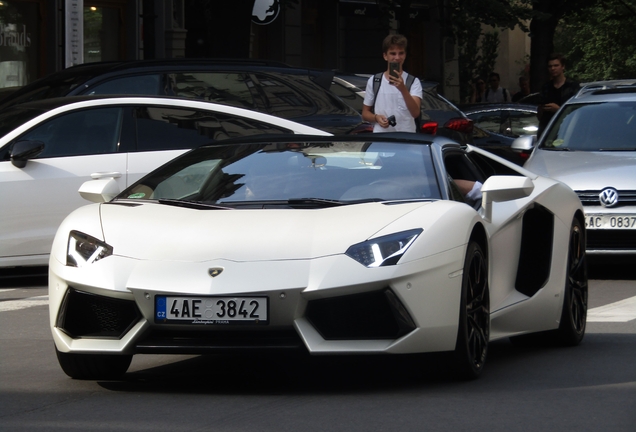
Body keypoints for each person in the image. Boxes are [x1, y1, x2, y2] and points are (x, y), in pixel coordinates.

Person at [362, 34, 422, 133]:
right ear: (385, 56)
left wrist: (403, 89)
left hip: (406, 138)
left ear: (405, 55)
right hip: (381, 138)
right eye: (393, 53)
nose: (397, 57)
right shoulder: (375, 80)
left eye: (401, 53)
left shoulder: (413, 82)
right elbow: (365, 114)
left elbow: (415, 113)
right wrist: (376, 117)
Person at [537, 53, 580, 135]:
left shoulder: (572, 87)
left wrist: (558, 110)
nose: (553, 68)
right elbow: (540, 113)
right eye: (550, 66)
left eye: (556, 65)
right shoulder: (546, 88)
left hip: (567, 130)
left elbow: (577, 112)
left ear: (563, 67)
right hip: (548, 130)